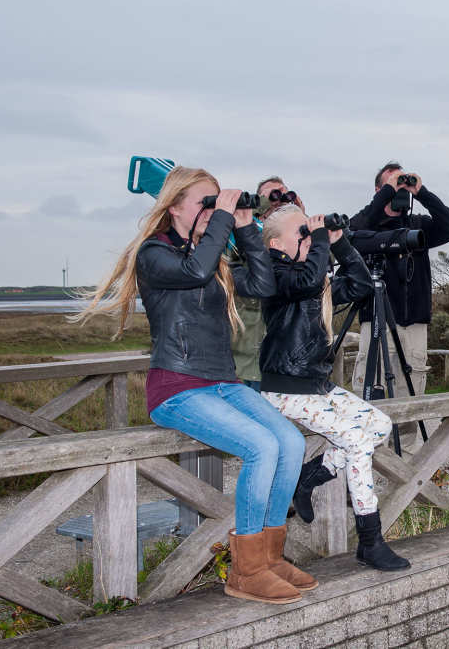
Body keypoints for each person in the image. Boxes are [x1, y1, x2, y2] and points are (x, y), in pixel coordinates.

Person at [74, 167, 312, 605]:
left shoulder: (213, 258)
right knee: (260, 446)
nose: (212, 209)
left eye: (215, 201)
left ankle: (271, 557)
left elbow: (262, 283)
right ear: (173, 206)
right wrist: (222, 220)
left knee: (289, 443)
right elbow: (195, 269)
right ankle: (246, 570)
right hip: (177, 388)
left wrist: (245, 227)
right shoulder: (154, 254)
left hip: (222, 382)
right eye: (205, 201)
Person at [259, 204, 411, 571]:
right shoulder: (273, 274)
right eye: (302, 233)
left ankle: (308, 477)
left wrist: (341, 244)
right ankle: (371, 540)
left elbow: (361, 285)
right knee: (356, 441)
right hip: (284, 388)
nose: (310, 238)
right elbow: (306, 282)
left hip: (315, 384)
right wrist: (322, 241)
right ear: (277, 243)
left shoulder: (312, 277)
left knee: (378, 425)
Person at [348, 162, 449, 448]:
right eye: (392, 184)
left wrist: (421, 191)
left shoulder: (417, 225)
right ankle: (365, 467)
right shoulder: (367, 224)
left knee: (410, 398)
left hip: (414, 323)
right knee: (370, 394)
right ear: (378, 190)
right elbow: (352, 232)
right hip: (375, 318)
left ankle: (405, 468)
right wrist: (386, 193)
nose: (399, 190)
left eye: (403, 184)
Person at [231, 176, 304, 390]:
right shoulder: (240, 234)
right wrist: (259, 205)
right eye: (273, 194)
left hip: (287, 358)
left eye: (283, 194)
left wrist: (299, 215)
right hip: (250, 355)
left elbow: (324, 260)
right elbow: (235, 251)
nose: (278, 199)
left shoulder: (297, 241)